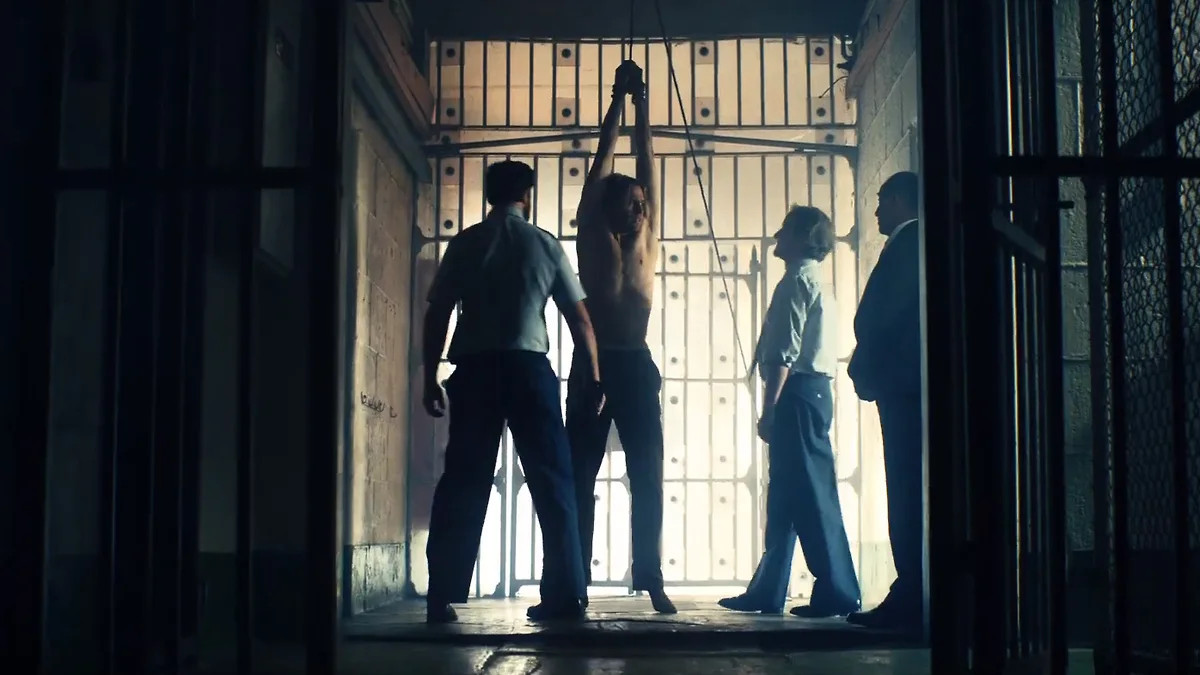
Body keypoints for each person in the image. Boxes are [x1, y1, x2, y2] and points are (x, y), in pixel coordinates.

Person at [421, 160, 605, 624]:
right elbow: (581, 321)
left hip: (476, 370)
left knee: (463, 480)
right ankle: (566, 595)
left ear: (489, 195)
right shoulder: (544, 244)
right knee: (553, 482)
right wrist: (593, 377)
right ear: (527, 194)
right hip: (529, 371)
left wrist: (428, 377)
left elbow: (438, 313)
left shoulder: (465, 243)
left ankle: (441, 594)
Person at [565, 60, 676, 614]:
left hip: (635, 363)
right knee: (579, 474)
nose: (638, 209)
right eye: (629, 203)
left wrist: (642, 103)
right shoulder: (593, 233)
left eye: (641, 204)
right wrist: (616, 99)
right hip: (595, 362)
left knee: (647, 475)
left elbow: (646, 163)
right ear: (606, 206)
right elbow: (602, 165)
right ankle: (572, 581)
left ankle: (650, 575)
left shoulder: (647, 239)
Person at [717, 206, 862, 618]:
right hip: (811, 393)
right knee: (785, 495)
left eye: (785, 230)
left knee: (811, 494)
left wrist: (769, 409)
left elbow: (784, 352)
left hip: (797, 394)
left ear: (802, 237)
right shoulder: (815, 281)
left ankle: (837, 589)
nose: (777, 236)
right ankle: (768, 589)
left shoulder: (796, 281)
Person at [846, 170, 923, 630]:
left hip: (901, 386)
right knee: (908, 483)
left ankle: (910, 589)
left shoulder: (909, 244)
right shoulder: (914, 245)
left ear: (899, 200)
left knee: (905, 483)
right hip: (905, 384)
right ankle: (912, 586)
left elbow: (881, 317)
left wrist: (865, 364)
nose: (875, 210)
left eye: (881, 200)